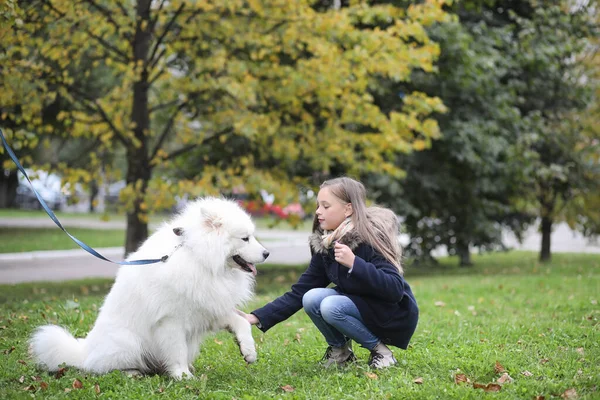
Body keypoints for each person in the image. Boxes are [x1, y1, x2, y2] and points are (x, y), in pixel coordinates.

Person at [239, 177, 419, 369]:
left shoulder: (369, 239)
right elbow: (300, 291)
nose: (318, 212)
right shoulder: (327, 244)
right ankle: (341, 352)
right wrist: (257, 317)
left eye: (325, 206)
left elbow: (395, 289)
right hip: (359, 306)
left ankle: (382, 353)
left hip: (390, 313)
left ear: (348, 209)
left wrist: (355, 263)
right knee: (311, 297)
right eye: (318, 206)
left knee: (331, 305)